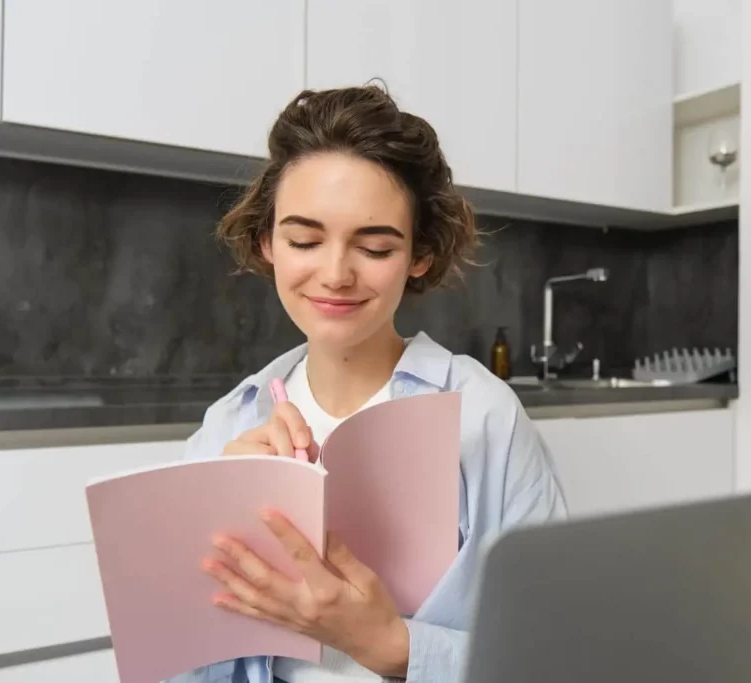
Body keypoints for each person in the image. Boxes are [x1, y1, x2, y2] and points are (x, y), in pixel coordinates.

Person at [164, 84, 567, 683]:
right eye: (303, 241)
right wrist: (215, 532)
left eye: (375, 246)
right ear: (267, 242)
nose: (335, 274)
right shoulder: (230, 424)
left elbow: (558, 657)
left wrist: (393, 646)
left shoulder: (484, 418)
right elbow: (174, 660)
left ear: (420, 255)